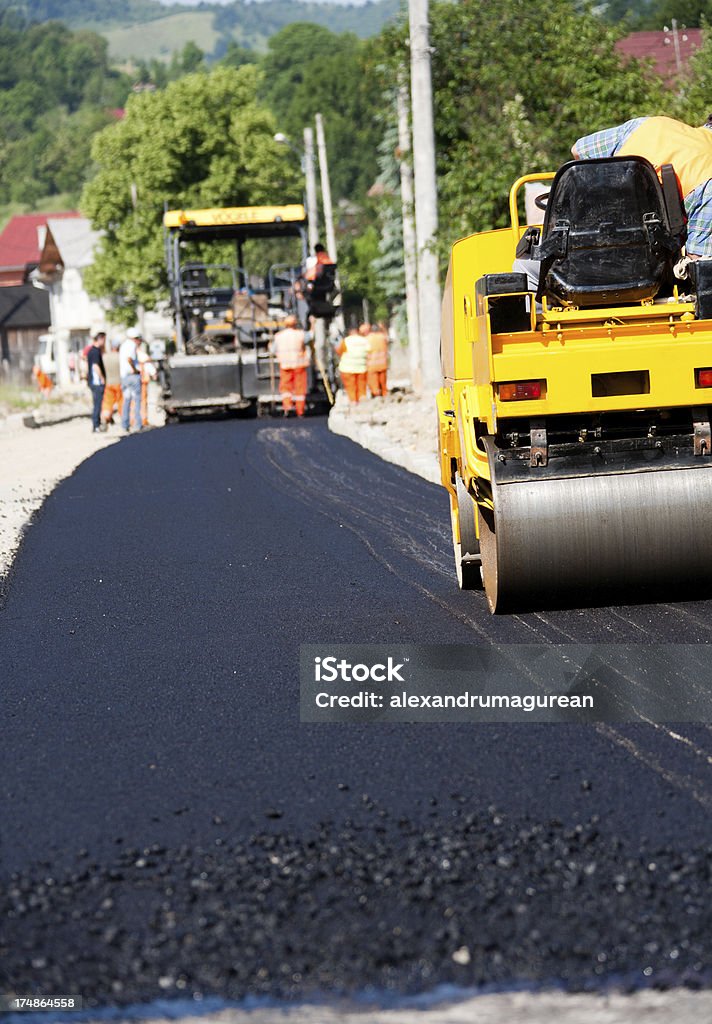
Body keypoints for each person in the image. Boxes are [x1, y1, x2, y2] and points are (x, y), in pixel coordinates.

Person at [571, 115, 712, 258]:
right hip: (644, 266)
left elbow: (577, 151)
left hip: (581, 250)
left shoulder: (649, 124)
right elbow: (697, 261)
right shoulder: (708, 176)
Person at [270, 314, 313, 416]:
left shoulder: (278, 336)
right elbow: (311, 335)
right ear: (295, 324)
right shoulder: (300, 334)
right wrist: (313, 324)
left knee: (285, 387)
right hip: (299, 364)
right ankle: (300, 411)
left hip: (285, 365)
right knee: (300, 388)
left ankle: (287, 407)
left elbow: (272, 350)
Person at [335, 325, 370, 403]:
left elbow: (339, 352)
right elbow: (369, 351)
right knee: (361, 385)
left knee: (351, 387)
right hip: (361, 368)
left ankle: (353, 402)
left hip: (348, 368)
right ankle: (362, 400)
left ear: (350, 332)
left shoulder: (346, 341)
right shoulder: (364, 340)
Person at [119, 328, 143, 432]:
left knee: (126, 400)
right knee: (137, 400)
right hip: (132, 376)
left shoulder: (123, 345)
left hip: (124, 377)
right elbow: (129, 358)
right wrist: (135, 370)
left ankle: (125, 424)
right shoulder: (131, 345)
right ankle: (138, 424)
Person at [86, 331, 106, 433]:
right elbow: (95, 366)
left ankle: (96, 424)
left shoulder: (91, 351)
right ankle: (96, 425)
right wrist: (102, 378)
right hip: (96, 382)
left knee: (97, 404)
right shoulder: (95, 351)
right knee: (97, 404)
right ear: (101, 339)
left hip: (92, 381)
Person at [101, 338, 122, 426]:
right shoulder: (120, 356)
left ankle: (106, 417)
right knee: (121, 401)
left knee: (107, 402)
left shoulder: (105, 357)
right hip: (119, 382)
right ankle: (124, 418)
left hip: (108, 383)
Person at [366, 322, 389, 398]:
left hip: (372, 365)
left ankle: (376, 395)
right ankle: (384, 394)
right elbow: (387, 339)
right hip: (382, 364)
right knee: (383, 382)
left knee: (374, 383)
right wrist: (383, 327)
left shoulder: (368, 338)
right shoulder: (382, 337)